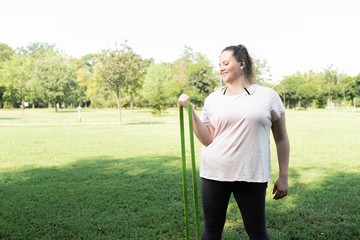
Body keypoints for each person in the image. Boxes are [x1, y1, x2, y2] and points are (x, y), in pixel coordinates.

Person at [178, 44, 290, 240]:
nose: (221, 67)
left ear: (241, 64)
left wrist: (284, 176)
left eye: (226, 62)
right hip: (214, 172)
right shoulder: (213, 99)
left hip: (251, 174)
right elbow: (207, 139)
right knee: (211, 230)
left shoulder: (267, 96)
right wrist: (190, 110)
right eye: (219, 64)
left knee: (257, 232)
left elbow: (281, 138)